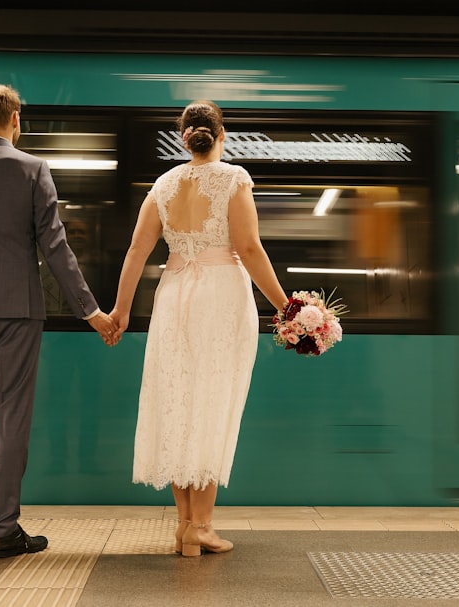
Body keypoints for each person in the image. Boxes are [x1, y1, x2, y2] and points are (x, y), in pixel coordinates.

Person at [0, 84, 118, 559]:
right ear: (16, 121)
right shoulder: (34, 169)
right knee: (11, 416)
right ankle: (3, 530)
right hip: (17, 309)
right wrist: (90, 310)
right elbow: (55, 246)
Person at [109, 100, 288, 557]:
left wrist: (121, 311)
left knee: (177, 401)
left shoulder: (163, 185)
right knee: (211, 402)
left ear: (183, 137)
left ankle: (185, 524)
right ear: (221, 134)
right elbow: (248, 248)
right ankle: (201, 526)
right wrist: (286, 307)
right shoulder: (234, 179)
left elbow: (135, 253)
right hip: (222, 298)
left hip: (172, 298)